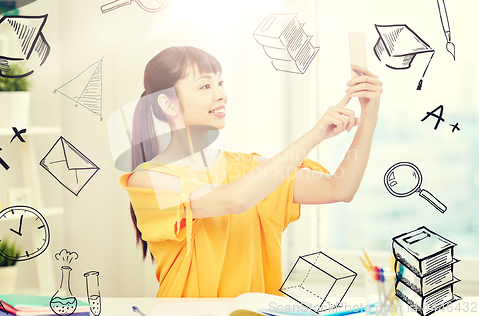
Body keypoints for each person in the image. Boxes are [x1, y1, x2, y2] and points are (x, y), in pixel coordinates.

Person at [119, 46, 383, 298]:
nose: (221, 94)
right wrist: (315, 135)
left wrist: (368, 116)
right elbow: (233, 200)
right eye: (205, 86)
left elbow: (339, 188)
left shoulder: (251, 169)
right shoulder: (147, 180)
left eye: (220, 83)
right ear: (168, 103)